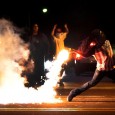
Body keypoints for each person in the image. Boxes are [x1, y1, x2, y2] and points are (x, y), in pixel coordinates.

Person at [67, 29, 115, 102]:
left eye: (101, 36)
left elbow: (110, 53)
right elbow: (85, 54)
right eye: (99, 37)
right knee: (91, 83)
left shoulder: (107, 42)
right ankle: (73, 93)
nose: (101, 38)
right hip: (101, 69)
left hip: (111, 68)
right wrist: (75, 51)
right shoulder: (94, 48)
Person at [27, 23, 50, 88]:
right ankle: (32, 82)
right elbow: (28, 45)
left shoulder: (42, 36)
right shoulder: (30, 36)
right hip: (32, 55)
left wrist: (47, 53)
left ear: (38, 28)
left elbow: (47, 44)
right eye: (34, 26)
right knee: (32, 69)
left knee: (40, 68)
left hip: (40, 55)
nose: (35, 28)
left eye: (36, 26)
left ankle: (40, 82)